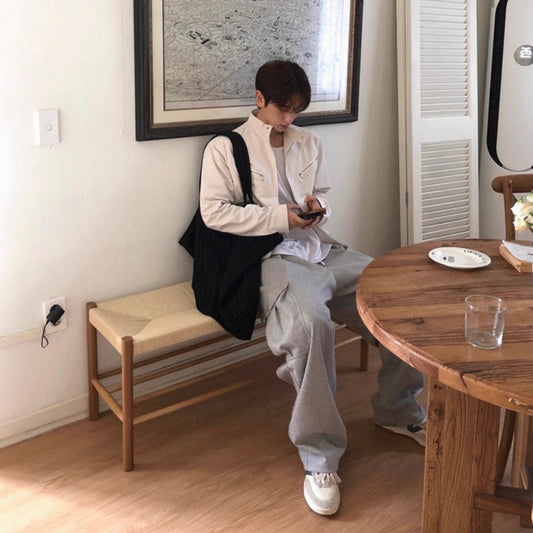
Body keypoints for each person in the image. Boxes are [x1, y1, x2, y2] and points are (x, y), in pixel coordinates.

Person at [199, 59, 426, 516]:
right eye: (283, 109)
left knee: (401, 297)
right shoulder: (226, 148)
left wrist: (318, 207)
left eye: (297, 110)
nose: (290, 118)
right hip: (274, 257)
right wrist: (281, 217)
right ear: (259, 99)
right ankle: (320, 456)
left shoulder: (309, 142)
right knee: (310, 327)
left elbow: (324, 193)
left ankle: (399, 411)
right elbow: (214, 213)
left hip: (323, 248)